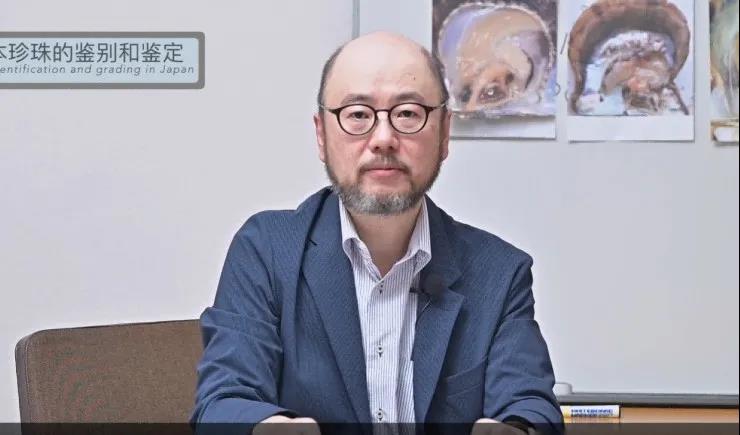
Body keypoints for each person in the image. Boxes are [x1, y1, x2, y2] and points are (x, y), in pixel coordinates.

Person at [190, 32, 562, 435]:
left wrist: (516, 429)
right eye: (357, 114)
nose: (383, 138)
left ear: (444, 134)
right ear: (321, 135)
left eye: (408, 113)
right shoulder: (266, 251)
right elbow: (222, 402)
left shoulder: (499, 272)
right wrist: (265, 427)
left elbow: (530, 405)